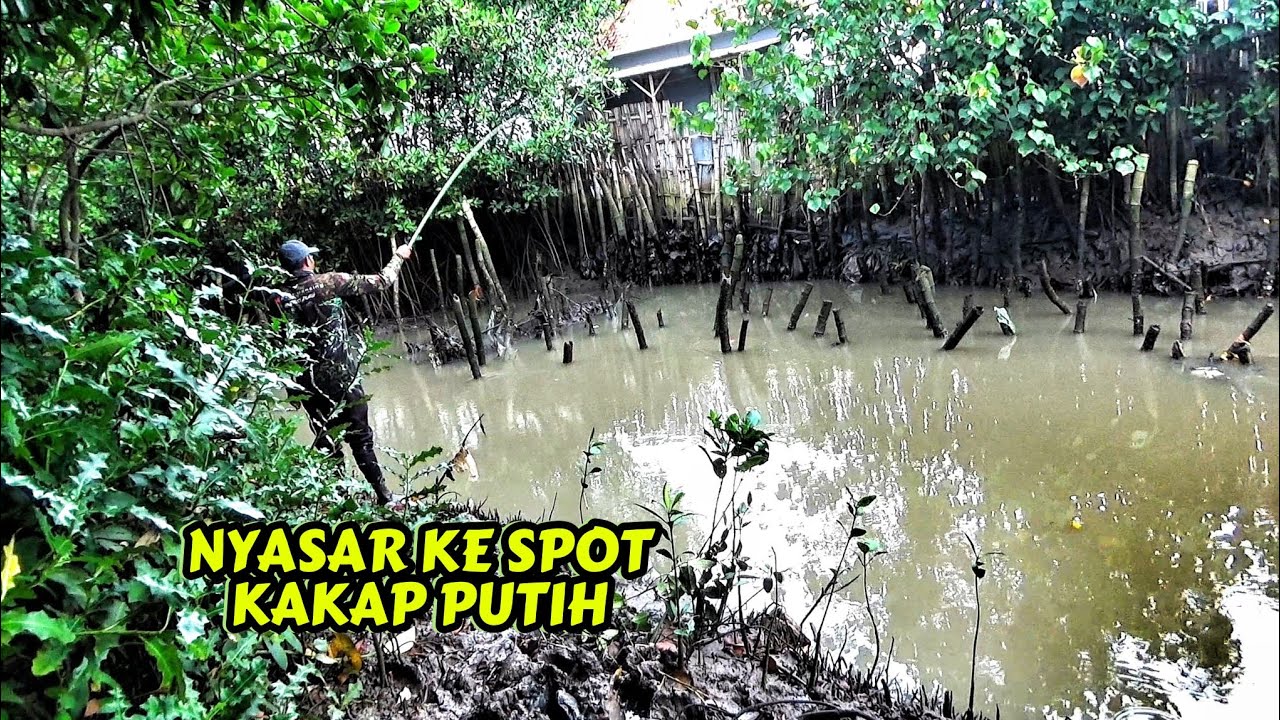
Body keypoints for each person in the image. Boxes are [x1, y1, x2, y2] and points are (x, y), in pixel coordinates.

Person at [273, 239, 412, 505]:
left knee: (327, 442)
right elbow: (382, 281)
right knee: (361, 440)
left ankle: (341, 499)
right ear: (307, 262)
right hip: (343, 379)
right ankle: (385, 497)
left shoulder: (278, 299)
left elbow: (283, 343)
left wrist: (292, 389)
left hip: (308, 384)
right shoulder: (330, 282)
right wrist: (399, 257)